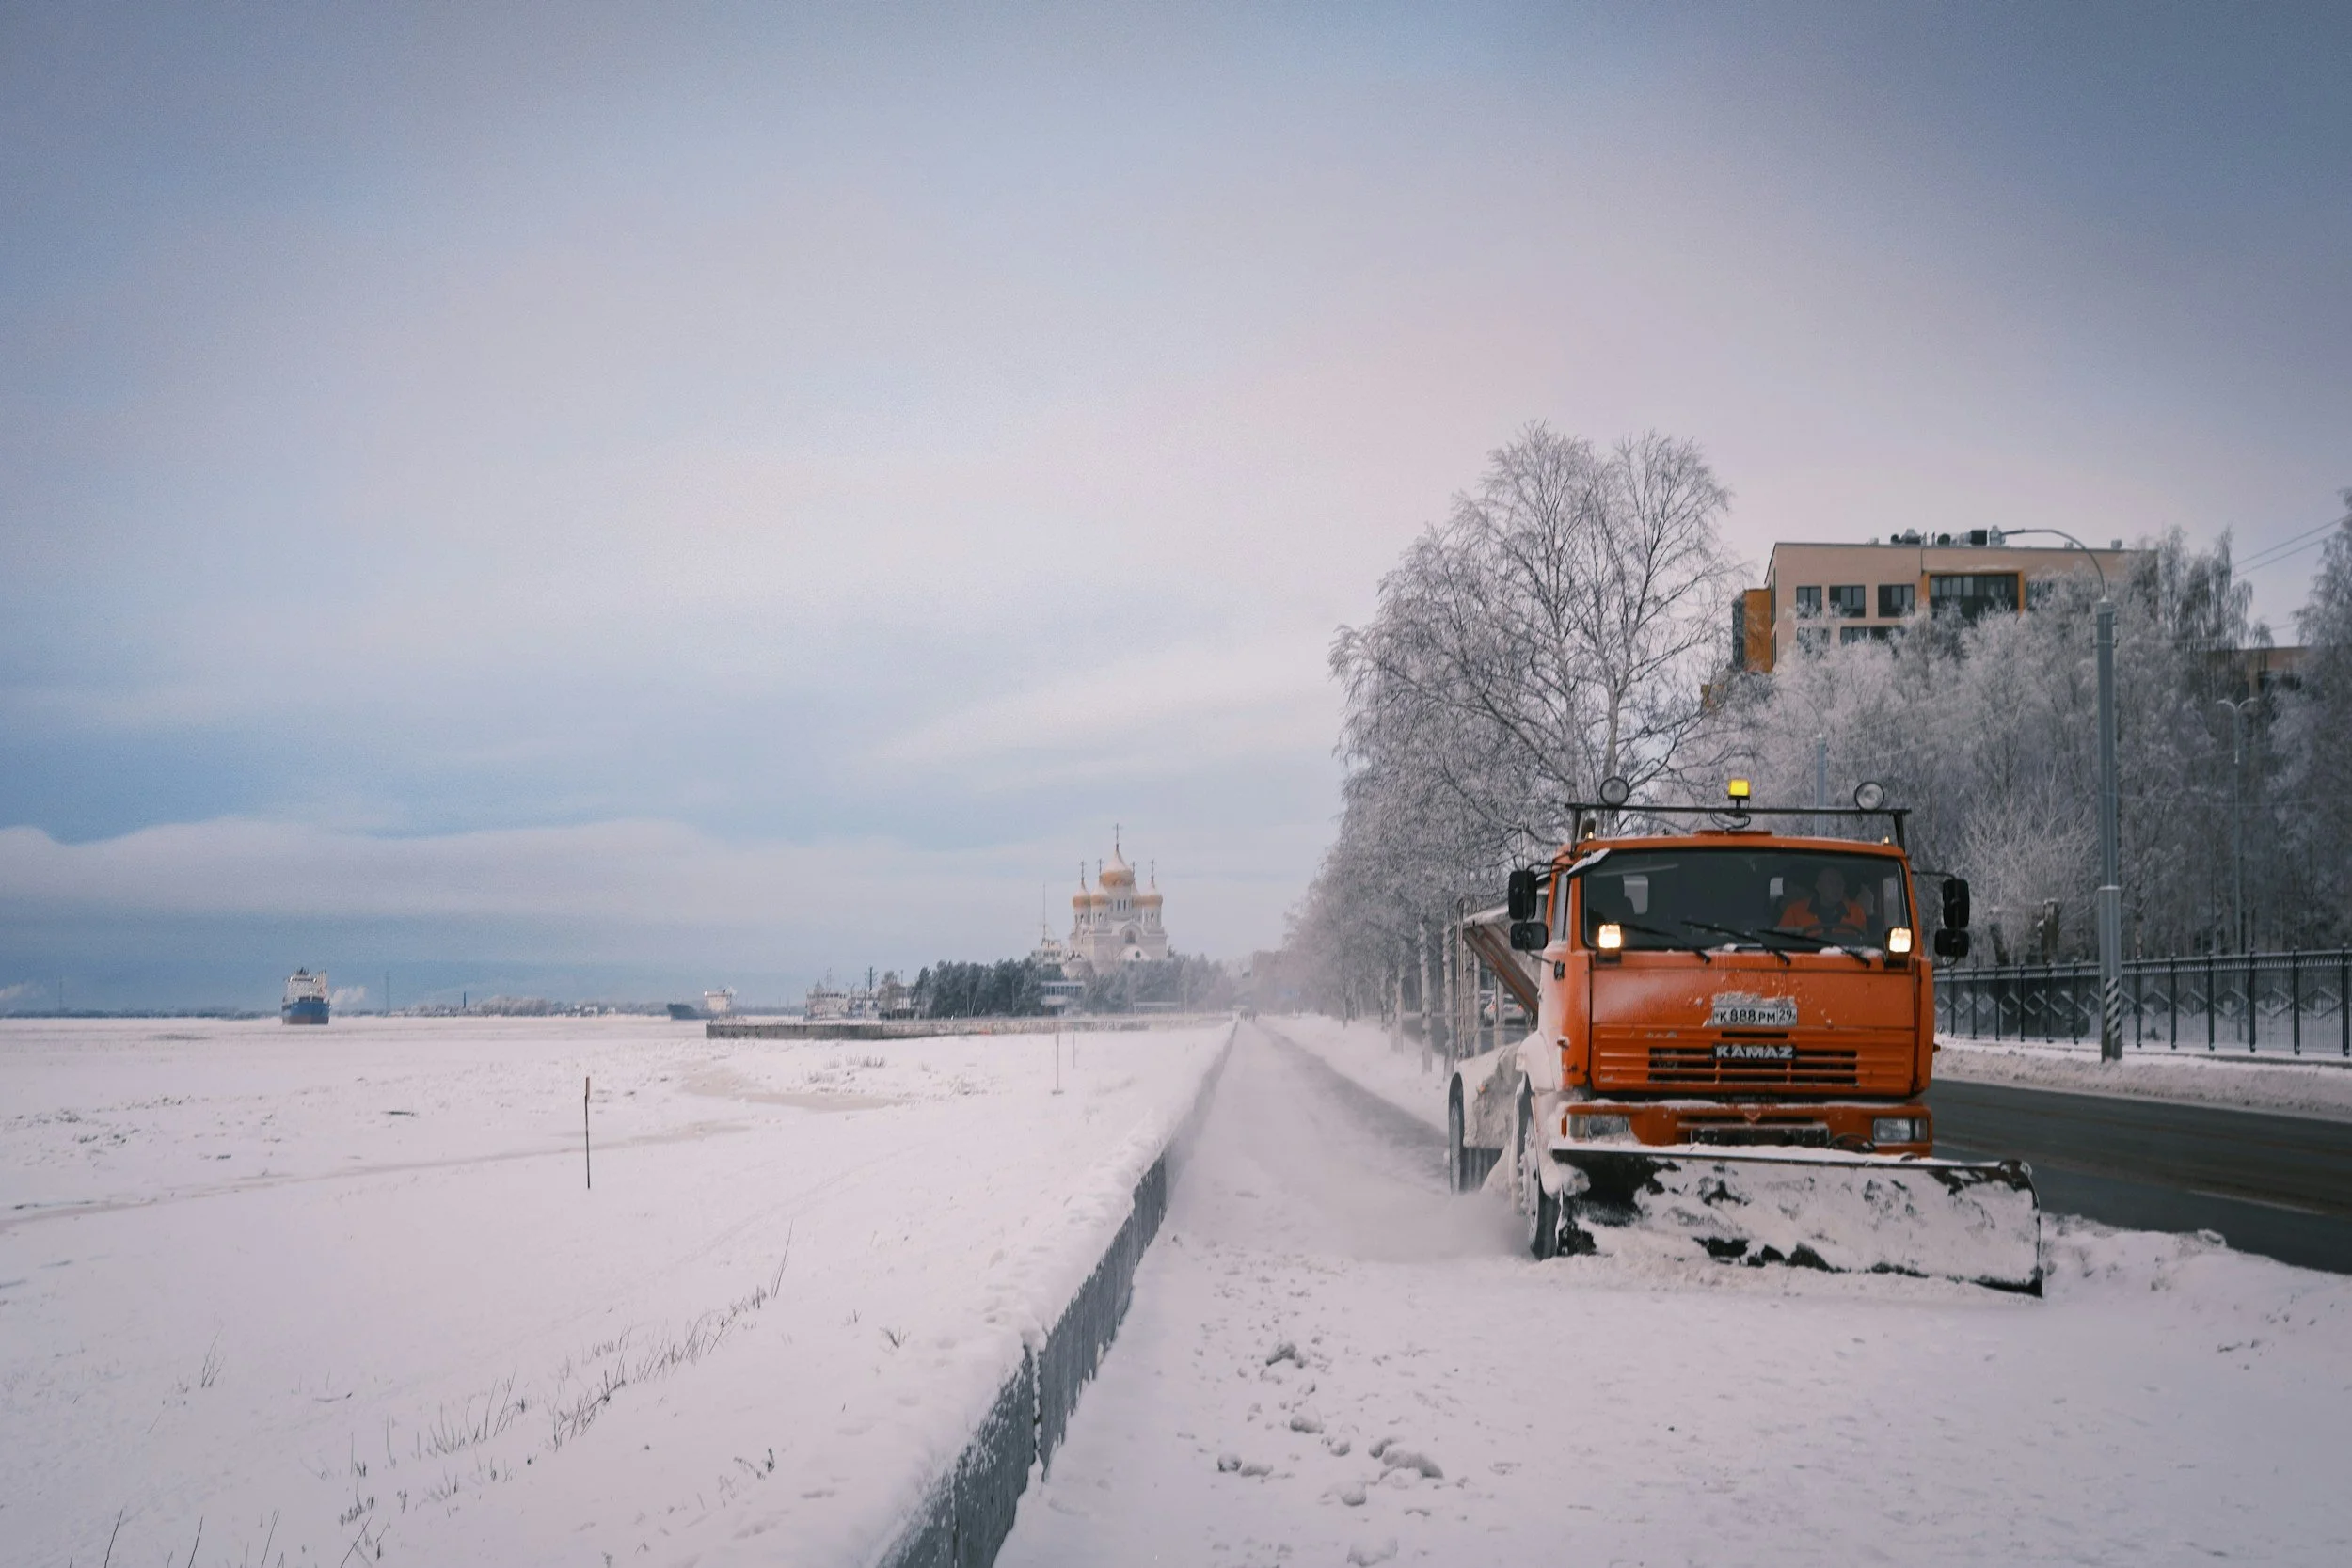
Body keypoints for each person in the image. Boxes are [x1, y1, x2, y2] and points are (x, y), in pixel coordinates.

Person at [1778, 864, 1867, 941]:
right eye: (1830, 882)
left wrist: (1871, 913)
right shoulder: (1794, 911)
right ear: (1818, 886)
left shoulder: (1857, 912)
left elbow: (1868, 943)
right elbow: (1781, 942)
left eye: (1839, 883)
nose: (1836, 888)